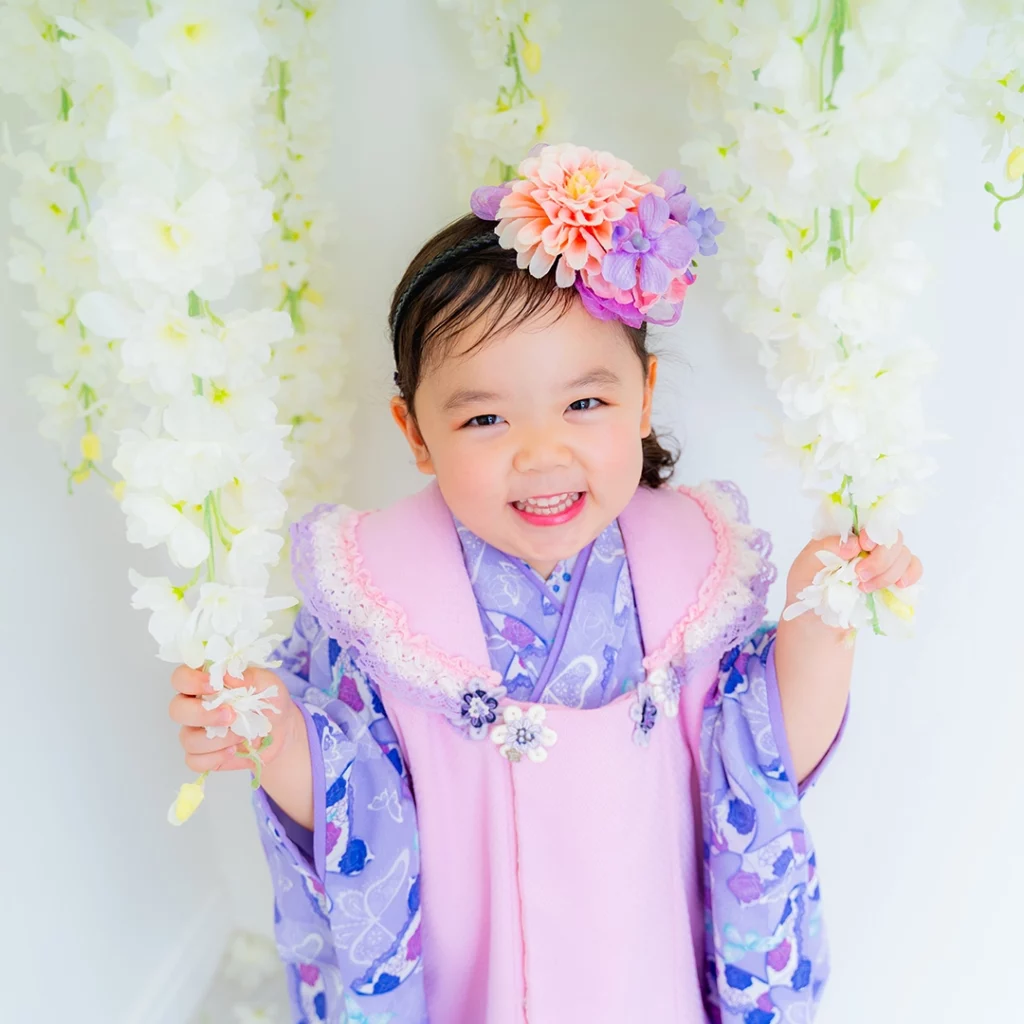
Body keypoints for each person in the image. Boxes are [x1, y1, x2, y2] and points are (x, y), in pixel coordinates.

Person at [168, 142, 923, 1024]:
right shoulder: (377, 599)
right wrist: (273, 735)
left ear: (643, 398)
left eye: (584, 404)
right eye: (486, 418)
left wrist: (823, 614)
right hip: (473, 973)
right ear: (415, 433)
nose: (540, 453)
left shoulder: (691, 572)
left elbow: (763, 752)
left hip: (645, 964)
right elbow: (356, 800)